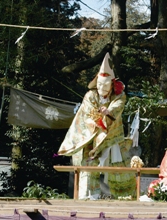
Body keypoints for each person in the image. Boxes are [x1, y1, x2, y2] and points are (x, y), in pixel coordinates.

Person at [58, 52, 135, 199]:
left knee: (119, 164)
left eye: (105, 84)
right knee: (88, 165)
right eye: (99, 84)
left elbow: (117, 108)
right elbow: (87, 113)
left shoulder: (119, 95)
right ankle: (87, 195)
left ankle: (125, 196)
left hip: (112, 134)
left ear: (112, 84)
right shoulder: (90, 95)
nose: (102, 87)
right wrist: (94, 122)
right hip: (91, 134)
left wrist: (108, 111)